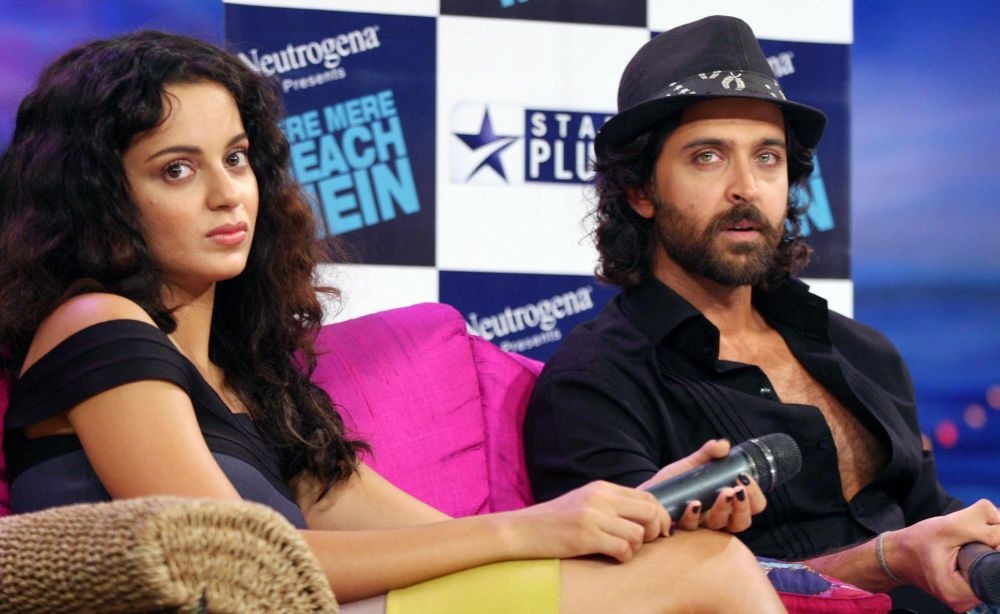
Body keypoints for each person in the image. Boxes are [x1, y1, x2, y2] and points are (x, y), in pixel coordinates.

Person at [0, 30, 786, 612]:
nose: (226, 193)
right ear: (101, 196)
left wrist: (632, 509)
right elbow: (233, 571)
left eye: (235, 158)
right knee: (705, 571)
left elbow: (430, 536)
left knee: (693, 555)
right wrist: (531, 532)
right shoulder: (95, 324)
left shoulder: (248, 377)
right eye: (177, 169)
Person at [522, 15, 1000, 614]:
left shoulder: (861, 350)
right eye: (707, 156)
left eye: (768, 157)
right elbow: (640, 595)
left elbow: (926, 513)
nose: (746, 187)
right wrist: (886, 561)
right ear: (641, 191)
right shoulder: (594, 383)